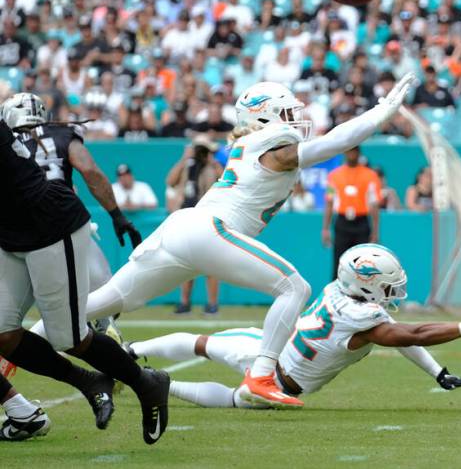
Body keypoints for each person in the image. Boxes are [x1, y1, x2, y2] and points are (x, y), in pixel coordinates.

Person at [36, 76, 415, 409]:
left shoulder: (251, 144)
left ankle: (15, 344)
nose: (294, 121)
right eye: (285, 113)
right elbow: (331, 144)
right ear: (266, 118)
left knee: (101, 304)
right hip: (209, 230)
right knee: (294, 286)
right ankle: (262, 376)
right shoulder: (274, 141)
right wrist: (380, 114)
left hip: (183, 229)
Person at [127, 245, 461, 408]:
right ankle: (151, 375)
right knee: (231, 395)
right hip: (276, 378)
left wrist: (438, 373)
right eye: (387, 286)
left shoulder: (341, 291)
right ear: (366, 283)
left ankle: (131, 354)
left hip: (269, 349)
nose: (392, 292)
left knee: (201, 343)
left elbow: (398, 334)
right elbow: (409, 334)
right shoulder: (364, 319)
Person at [0, 120, 170, 444]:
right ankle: (89, 382)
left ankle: (146, 383)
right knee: (3, 334)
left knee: (71, 337)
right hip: (12, 233)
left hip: (48, 227)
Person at [3, 92, 142, 332]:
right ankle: (114, 347)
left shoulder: (6, 143)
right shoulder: (62, 133)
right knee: (103, 300)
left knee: (11, 314)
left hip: (18, 229)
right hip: (63, 223)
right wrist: (116, 215)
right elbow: (90, 172)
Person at [166, 136, 222, 316]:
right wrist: (184, 159)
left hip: (206, 218)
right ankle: (184, 303)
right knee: (185, 263)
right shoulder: (187, 167)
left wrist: (212, 162)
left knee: (212, 265)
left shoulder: (211, 168)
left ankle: (212, 305)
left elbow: (223, 182)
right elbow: (170, 180)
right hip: (186, 218)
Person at [323, 146, 382, 271]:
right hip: (342, 222)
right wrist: (325, 228)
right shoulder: (334, 176)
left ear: (359, 153)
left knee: (362, 263)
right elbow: (329, 201)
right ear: (345, 152)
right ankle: (338, 289)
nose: (352, 154)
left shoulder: (370, 175)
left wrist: (375, 231)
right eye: (349, 151)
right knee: (339, 262)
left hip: (361, 223)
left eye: (355, 151)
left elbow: (374, 204)